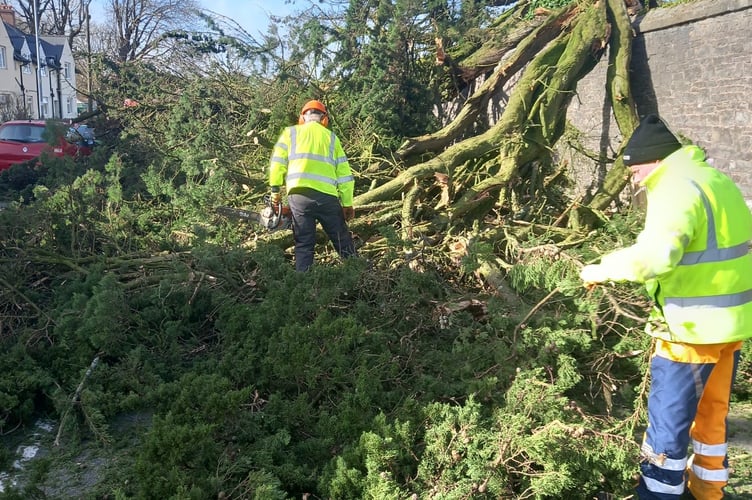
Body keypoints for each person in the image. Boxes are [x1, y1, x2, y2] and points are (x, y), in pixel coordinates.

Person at [580, 114, 752, 499]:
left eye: (637, 170)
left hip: (689, 332)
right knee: (712, 421)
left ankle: (657, 495)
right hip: (730, 328)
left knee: (666, 432)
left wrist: (600, 269)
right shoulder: (715, 180)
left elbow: (656, 258)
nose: (636, 179)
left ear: (655, 160)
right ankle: (709, 492)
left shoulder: (674, 188)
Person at [268, 99, 357, 271]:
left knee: (303, 244)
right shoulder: (332, 138)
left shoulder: (290, 133)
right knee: (342, 240)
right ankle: (360, 276)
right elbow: (345, 176)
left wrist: (275, 192)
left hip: (298, 196)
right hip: (327, 197)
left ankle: (304, 287)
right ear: (324, 119)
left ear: (302, 117)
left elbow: (276, 164)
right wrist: (347, 204)